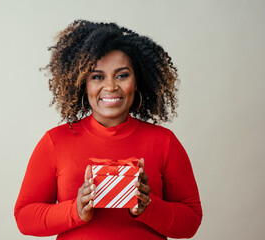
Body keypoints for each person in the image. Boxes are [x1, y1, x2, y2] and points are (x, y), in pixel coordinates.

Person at [14, 20, 202, 240]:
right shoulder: (56, 142)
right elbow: (24, 218)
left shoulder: (164, 142)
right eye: (97, 77)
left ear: (137, 81)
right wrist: (75, 211)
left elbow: (191, 222)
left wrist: (148, 206)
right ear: (83, 84)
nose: (111, 86)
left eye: (122, 75)